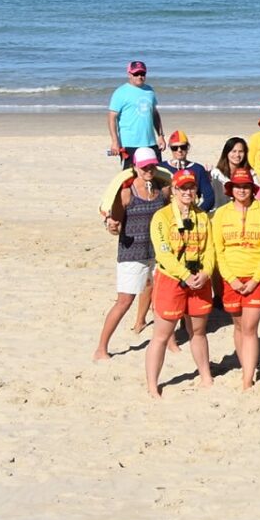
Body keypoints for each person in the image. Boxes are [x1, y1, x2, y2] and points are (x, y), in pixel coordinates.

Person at [144, 169, 215, 397]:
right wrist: (184, 274)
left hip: (199, 280)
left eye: (191, 187)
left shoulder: (202, 217)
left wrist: (206, 272)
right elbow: (163, 253)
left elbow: (210, 250)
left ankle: (206, 376)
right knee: (162, 335)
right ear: (174, 190)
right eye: (182, 188)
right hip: (172, 280)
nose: (187, 192)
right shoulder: (162, 217)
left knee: (198, 331)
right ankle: (153, 386)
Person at [96, 148, 170, 360]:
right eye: (144, 166)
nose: (148, 169)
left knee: (161, 298)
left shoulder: (161, 190)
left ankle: (170, 342)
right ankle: (101, 347)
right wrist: (111, 226)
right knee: (124, 301)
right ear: (135, 167)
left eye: (152, 165)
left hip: (157, 252)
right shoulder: (126, 193)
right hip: (132, 252)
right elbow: (115, 224)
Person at [212, 168, 260, 390]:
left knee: (249, 326)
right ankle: (245, 367)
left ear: (253, 188)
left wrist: (255, 279)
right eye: (238, 186)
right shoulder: (221, 214)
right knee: (238, 325)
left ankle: (247, 378)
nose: (242, 190)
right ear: (231, 190)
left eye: (246, 186)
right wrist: (231, 279)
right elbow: (218, 250)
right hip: (231, 277)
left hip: (256, 277)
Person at [107, 59, 164, 165]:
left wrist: (160, 136)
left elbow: (154, 114)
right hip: (129, 143)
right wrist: (115, 142)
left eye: (142, 73)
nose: (139, 76)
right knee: (131, 176)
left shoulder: (149, 90)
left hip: (150, 142)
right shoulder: (120, 92)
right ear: (129, 74)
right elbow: (111, 118)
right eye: (136, 73)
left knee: (155, 173)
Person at [163, 131, 215, 211]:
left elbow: (209, 197)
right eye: (175, 148)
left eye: (183, 147)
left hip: (192, 210)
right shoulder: (161, 168)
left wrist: (197, 213)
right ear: (170, 148)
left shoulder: (198, 169)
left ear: (188, 147)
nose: (179, 150)